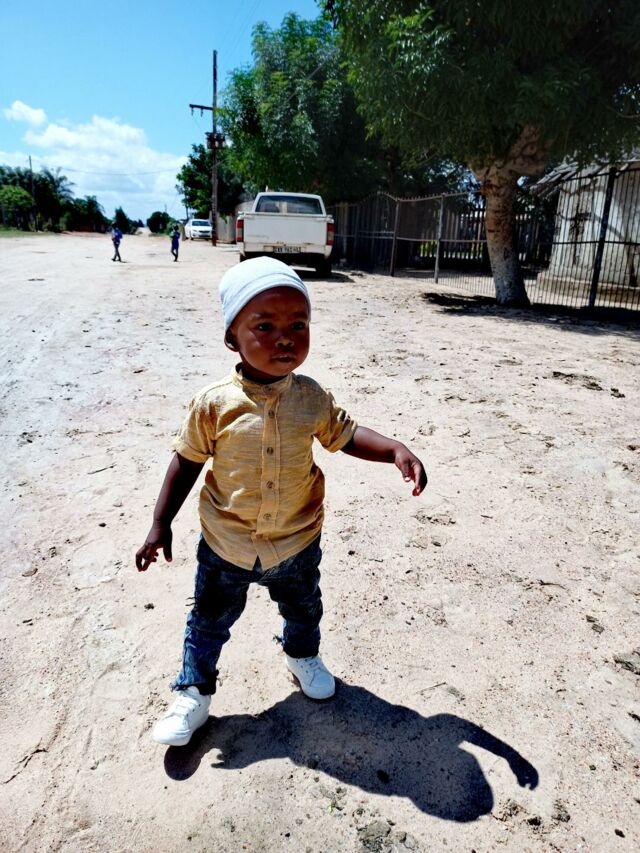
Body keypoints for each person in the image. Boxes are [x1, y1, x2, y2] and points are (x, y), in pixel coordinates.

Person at [136, 256, 428, 747]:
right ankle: (193, 692)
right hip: (227, 544)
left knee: (304, 608)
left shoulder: (311, 397)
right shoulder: (214, 404)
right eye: (265, 326)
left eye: (298, 325)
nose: (285, 338)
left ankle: (302, 656)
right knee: (208, 622)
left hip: (296, 540)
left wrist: (394, 449)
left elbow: (346, 435)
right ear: (232, 338)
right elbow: (185, 462)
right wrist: (159, 523)